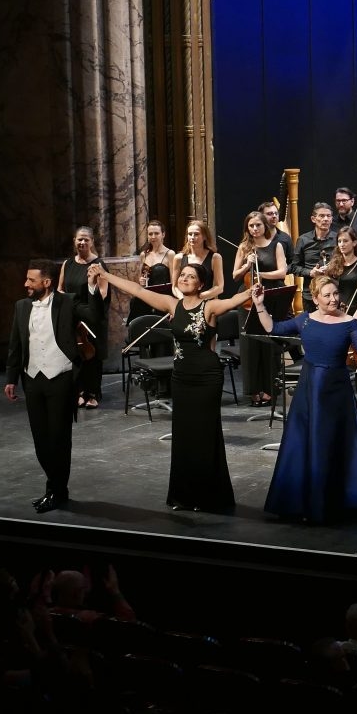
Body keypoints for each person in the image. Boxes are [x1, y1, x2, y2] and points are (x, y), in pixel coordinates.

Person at [89, 261, 258, 512]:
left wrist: (251, 292)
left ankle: (209, 496)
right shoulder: (172, 304)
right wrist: (105, 276)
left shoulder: (209, 306)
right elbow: (137, 290)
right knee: (184, 437)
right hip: (182, 378)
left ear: (201, 284)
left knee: (205, 435)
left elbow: (234, 300)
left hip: (207, 378)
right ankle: (184, 495)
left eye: (191, 276)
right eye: (183, 275)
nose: (185, 278)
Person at [251, 275, 357, 523]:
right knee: (305, 443)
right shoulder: (305, 319)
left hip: (335, 391)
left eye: (336, 293)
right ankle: (305, 502)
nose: (333, 299)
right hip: (309, 389)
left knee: (333, 444)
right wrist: (260, 304)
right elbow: (273, 328)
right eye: (326, 295)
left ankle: (331, 502)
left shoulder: (349, 322)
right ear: (315, 299)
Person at [4, 259, 105, 513]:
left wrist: (92, 288)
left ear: (46, 283)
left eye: (31, 280)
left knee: (59, 439)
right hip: (32, 379)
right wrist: (11, 378)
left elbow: (94, 316)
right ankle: (56, 487)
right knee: (41, 441)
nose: (25, 284)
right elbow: (16, 345)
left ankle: (56, 490)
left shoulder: (67, 302)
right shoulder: (21, 307)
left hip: (60, 377)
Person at [231, 211, 288, 407]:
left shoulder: (276, 245)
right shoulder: (244, 247)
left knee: (269, 344)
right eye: (251, 226)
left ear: (265, 226)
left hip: (271, 296)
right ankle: (253, 391)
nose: (255, 229)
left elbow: (283, 271)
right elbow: (235, 276)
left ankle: (270, 388)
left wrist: (261, 274)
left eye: (258, 225)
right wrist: (247, 265)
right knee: (250, 346)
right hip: (247, 298)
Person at [58, 226, 110, 408]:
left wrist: (89, 310)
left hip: (92, 314)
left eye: (86, 239)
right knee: (76, 353)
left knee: (92, 355)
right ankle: (79, 391)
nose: (82, 242)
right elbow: (61, 289)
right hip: (72, 314)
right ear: (74, 241)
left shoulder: (98, 265)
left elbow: (103, 292)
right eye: (79, 239)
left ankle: (93, 393)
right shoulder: (67, 264)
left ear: (92, 242)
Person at [326, 226, 357, 416]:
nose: (342, 244)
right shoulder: (334, 265)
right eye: (339, 241)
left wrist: (352, 320)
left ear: (354, 242)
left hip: (355, 317)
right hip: (336, 316)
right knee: (336, 360)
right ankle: (338, 402)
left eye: (345, 241)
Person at [291, 203, 338, 310]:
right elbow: (294, 267)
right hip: (310, 294)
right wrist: (310, 272)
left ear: (331, 219)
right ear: (313, 219)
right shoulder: (303, 240)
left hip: (333, 294)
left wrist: (333, 268)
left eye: (328, 216)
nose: (325, 219)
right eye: (321, 216)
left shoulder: (338, 239)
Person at [130, 220, 173, 322]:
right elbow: (141, 280)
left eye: (156, 233)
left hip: (162, 299)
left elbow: (173, 282)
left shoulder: (170, 254)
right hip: (146, 298)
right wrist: (141, 281)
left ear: (163, 234)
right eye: (150, 234)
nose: (153, 236)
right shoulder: (144, 254)